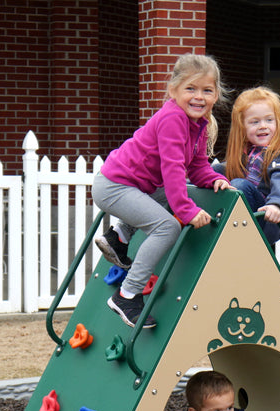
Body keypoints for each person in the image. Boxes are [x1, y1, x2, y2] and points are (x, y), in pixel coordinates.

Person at [92, 54, 231, 329]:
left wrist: (213, 179)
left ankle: (119, 236)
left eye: (207, 90)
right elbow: (173, 169)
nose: (199, 97)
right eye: (190, 89)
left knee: (174, 194)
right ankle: (127, 295)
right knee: (168, 227)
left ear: (216, 95)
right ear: (173, 91)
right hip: (116, 186)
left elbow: (197, 165)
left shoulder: (198, 124)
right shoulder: (173, 119)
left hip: (132, 186)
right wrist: (186, 211)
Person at [216, 86, 280, 245]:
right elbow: (225, 169)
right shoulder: (252, 152)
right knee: (213, 174)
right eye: (254, 122)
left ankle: (227, 222)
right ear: (242, 128)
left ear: (279, 122)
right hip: (249, 214)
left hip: (267, 218)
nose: (263, 126)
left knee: (240, 185)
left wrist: (276, 204)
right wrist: (205, 177)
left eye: (269, 120)